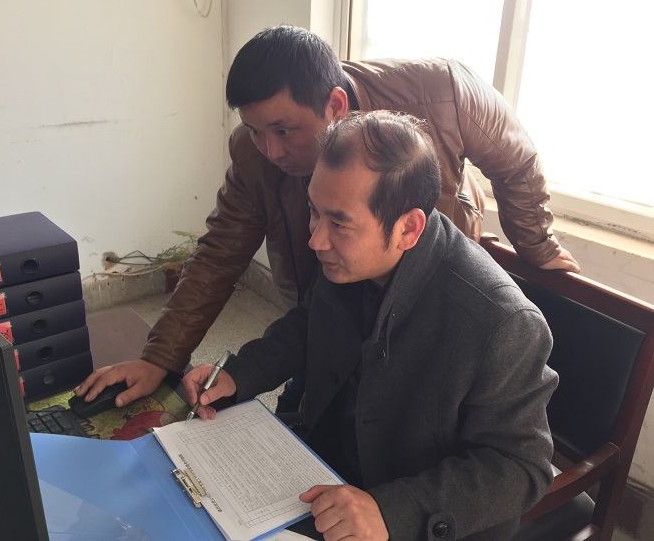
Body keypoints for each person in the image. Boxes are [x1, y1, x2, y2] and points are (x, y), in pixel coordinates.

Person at [74, 24, 577, 410]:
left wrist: (540, 249)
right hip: (332, 295)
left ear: (336, 105)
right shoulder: (256, 155)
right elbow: (220, 254)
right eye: (254, 131)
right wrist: (160, 358)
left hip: (428, 294)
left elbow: (516, 161)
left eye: (284, 131)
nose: (271, 151)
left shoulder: (440, 92)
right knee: (320, 379)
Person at [183, 111, 558, 541]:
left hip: (413, 511)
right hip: (324, 467)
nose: (316, 239)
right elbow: (309, 322)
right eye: (313, 212)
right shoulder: (350, 253)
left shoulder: (502, 322)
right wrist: (239, 373)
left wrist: (391, 511)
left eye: (338, 223)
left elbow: (520, 468)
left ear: (408, 228)